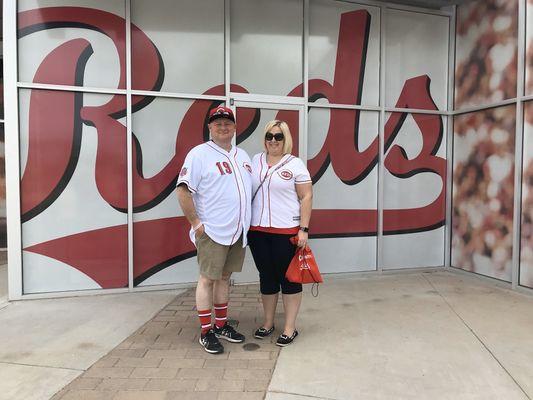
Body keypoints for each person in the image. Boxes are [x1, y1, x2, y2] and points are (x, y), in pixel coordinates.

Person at [176, 106, 252, 354]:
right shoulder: (199, 154)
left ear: (234, 127)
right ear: (209, 127)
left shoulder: (243, 156)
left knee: (224, 278)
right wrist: (196, 224)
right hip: (212, 230)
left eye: (227, 122)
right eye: (217, 122)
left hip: (236, 230)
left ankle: (221, 325)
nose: (223, 126)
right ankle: (206, 330)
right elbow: (183, 191)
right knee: (207, 279)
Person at [247, 120, 313, 346]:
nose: (273, 140)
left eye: (278, 136)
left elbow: (306, 196)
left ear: (286, 139)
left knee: (289, 279)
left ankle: (289, 327)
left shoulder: (295, 164)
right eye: (269, 135)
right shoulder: (255, 160)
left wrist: (303, 229)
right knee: (266, 277)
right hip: (257, 231)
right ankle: (267, 323)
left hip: (286, 231)